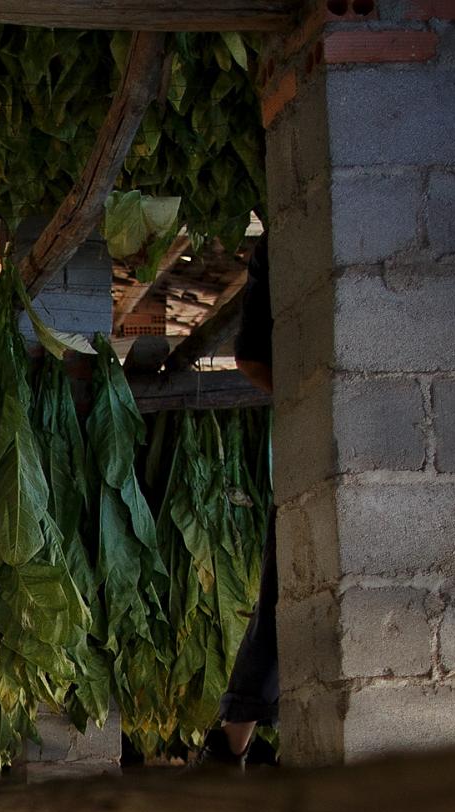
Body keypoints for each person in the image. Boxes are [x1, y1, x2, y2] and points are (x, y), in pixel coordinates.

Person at [197, 241, 280, 771]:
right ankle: (230, 743)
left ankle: (231, 744)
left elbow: (249, 357)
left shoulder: (278, 246)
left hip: (308, 465)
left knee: (281, 606)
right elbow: (249, 357)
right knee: (280, 607)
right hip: (311, 466)